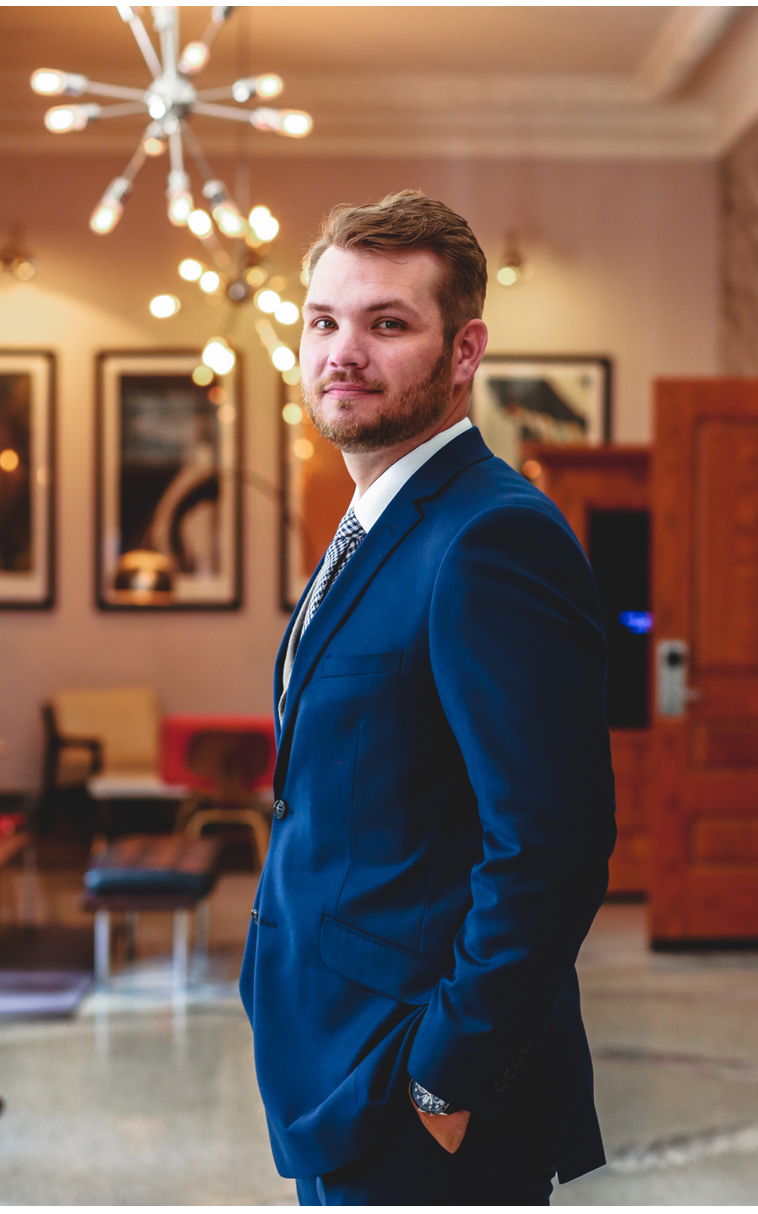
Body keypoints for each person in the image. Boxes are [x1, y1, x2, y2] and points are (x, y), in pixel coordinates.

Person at [239, 190, 615, 1204]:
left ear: (462, 351)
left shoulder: (492, 538)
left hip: (422, 1095)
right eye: (323, 320)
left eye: (386, 323)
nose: (341, 351)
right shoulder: (375, 520)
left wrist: (444, 1074)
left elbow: (550, 841)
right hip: (335, 1065)